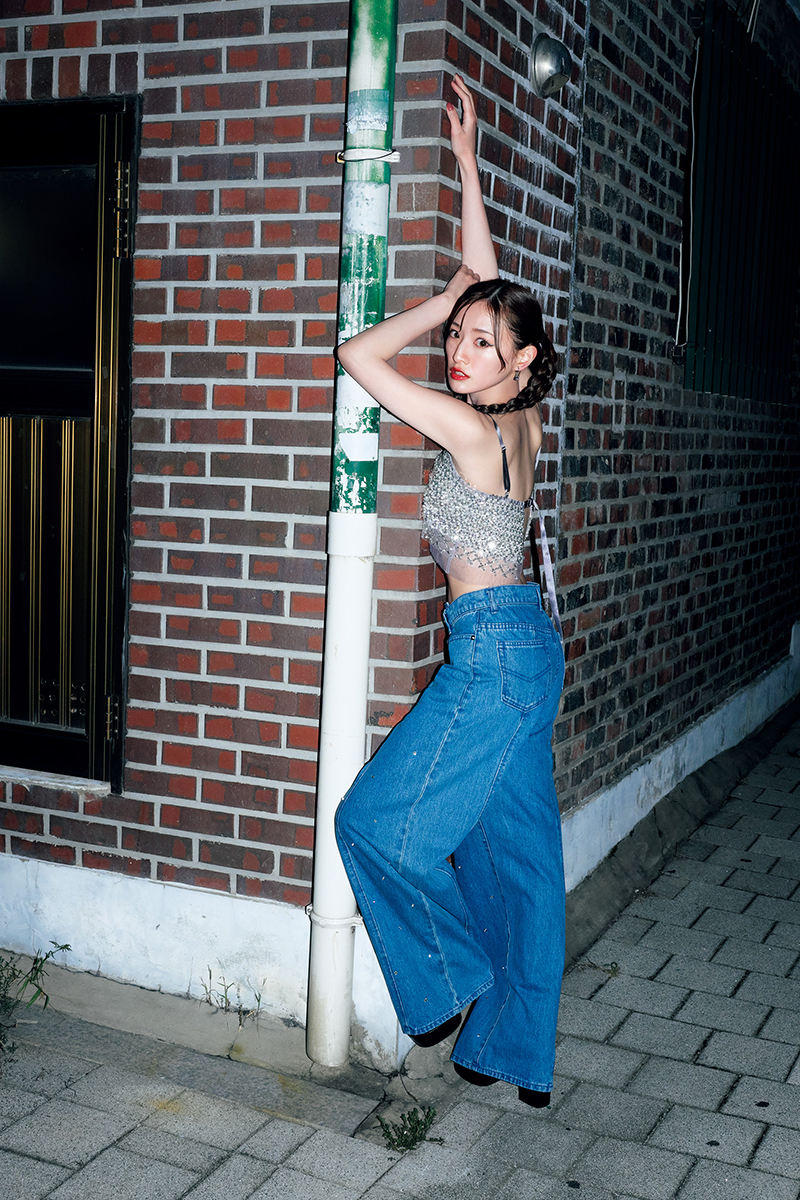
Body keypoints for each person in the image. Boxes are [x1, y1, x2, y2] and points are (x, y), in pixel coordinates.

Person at [334, 76, 565, 1106]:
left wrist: (439, 300)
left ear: (519, 360)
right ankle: (514, 1054)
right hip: (524, 649)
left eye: (477, 343)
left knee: (374, 824)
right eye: (457, 338)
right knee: (519, 858)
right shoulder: (522, 417)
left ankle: (445, 987)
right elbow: (494, 286)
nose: (456, 352)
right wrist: (469, 164)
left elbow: (356, 355)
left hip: (493, 655)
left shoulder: (469, 425)